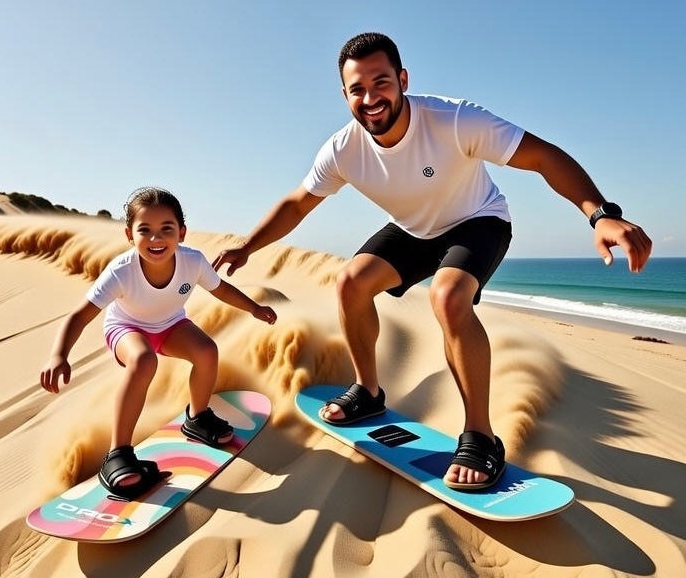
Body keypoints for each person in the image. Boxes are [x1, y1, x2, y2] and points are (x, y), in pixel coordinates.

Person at [214, 32, 652, 491]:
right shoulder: (343, 149)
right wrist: (248, 246)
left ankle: (481, 436)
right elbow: (298, 203)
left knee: (447, 298)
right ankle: (368, 391)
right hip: (412, 230)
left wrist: (600, 215)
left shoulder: (454, 120)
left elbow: (543, 156)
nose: (370, 98)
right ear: (344, 96)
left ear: (402, 79)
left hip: (476, 221)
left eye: (380, 82)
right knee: (350, 283)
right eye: (356, 89)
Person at [40, 186, 277, 499]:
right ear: (129, 235)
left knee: (207, 351)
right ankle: (118, 454)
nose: (156, 239)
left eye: (166, 229)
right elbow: (80, 316)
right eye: (145, 230)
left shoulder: (192, 262)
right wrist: (59, 354)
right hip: (125, 327)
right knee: (143, 361)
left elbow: (220, 290)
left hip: (169, 325)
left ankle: (198, 417)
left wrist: (254, 307)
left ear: (181, 232)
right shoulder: (122, 272)